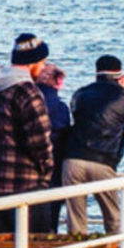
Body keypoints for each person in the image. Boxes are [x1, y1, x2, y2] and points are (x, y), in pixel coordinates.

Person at [0, 33, 56, 235]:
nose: (44, 68)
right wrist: (46, 175)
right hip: (25, 184)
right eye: (42, 63)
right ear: (32, 63)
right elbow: (40, 142)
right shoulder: (28, 92)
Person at [62, 55, 124, 235]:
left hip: (72, 158)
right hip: (102, 161)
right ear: (120, 75)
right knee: (113, 218)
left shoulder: (80, 93)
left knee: (76, 221)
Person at [35, 62, 72, 233]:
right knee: (50, 218)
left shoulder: (28, 97)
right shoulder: (60, 107)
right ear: (58, 81)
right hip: (53, 167)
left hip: (27, 171)